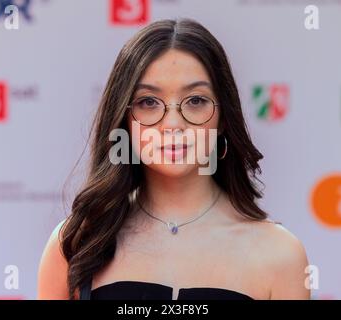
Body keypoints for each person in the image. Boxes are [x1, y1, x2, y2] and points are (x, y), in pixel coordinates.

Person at [37, 18, 310, 300]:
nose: (173, 125)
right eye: (149, 102)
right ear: (124, 119)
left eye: (195, 100)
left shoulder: (280, 255)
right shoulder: (75, 243)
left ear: (224, 118)